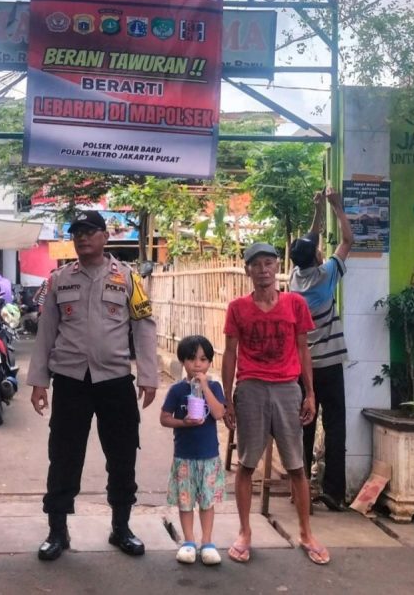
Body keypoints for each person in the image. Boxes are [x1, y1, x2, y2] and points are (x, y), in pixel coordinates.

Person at [27, 210, 159, 561]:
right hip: (70, 381)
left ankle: (121, 527)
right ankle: (57, 531)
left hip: (115, 380)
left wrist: (148, 376)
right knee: (64, 456)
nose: (83, 237)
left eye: (90, 231)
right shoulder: (58, 280)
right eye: (77, 233)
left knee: (122, 454)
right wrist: (39, 381)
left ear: (104, 236)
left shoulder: (128, 277)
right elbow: (46, 332)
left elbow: (144, 326)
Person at [222, 242, 330, 566]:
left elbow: (303, 349)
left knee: (296, 465)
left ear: (277, 267)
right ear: (248, 271)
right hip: (251, 388)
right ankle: (244, 532)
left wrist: (309, 393)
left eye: (268, 263)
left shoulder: (295, 304)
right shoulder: (238, 308)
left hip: (287, 388)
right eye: (256, 265)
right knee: (246, 464)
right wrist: (227, 399)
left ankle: (306, 533)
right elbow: (230, 353)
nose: (263, 270)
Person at [289, 188, 354, 511]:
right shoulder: (326, 276)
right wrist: (337, 207)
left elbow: (309, 242)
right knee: (335, 426)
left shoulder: (294, 280)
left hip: (303, 368)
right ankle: (333, 492)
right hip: (329, 366)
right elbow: (348, 240)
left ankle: (300, 489)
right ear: (317, 258)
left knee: (304, 426)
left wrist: (317, 210)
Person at [160, 335, 226, 566]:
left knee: (207, 502)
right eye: (191, 359)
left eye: (203, 359)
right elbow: (164, 418)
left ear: (209, 362)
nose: (197, 364)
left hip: (208, 457)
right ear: (183, 361)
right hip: (185, 457)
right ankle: (189, 541)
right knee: (186, 502)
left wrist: (204, 386)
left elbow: (219, 413)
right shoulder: (177, 390)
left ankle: (207, 542)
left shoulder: (215, 387)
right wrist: (183, 422)